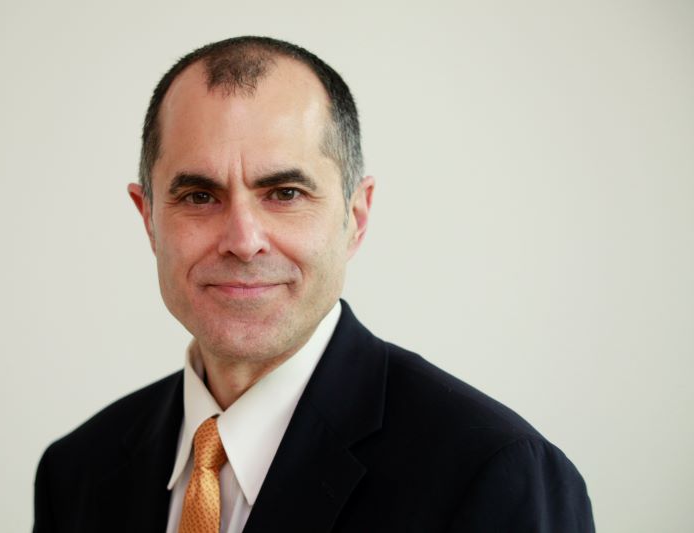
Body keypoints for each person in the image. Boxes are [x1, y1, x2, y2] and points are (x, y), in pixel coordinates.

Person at [33, 36, 595, 532]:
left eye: (285, 194)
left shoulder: (493, 473)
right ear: (149, 217)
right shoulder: (77, 471)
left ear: (357, 215)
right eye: (199, 196)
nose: (243, 239)